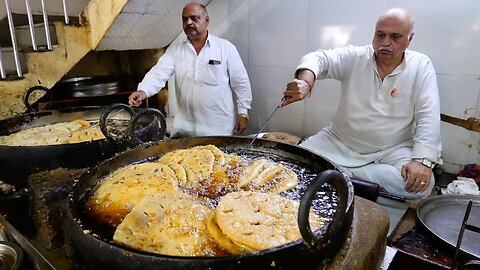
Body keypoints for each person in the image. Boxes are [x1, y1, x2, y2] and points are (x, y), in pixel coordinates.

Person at [281, 8, 441, 201]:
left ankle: (334, 171)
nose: (385, 42)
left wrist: (421, 162)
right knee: (294, 161)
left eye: (395, 37)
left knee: (423, 185)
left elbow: (428, 113)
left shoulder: (420, 65)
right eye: (380, 34)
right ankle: (349, 175)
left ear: (410, 39)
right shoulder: (357, 57)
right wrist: (305, 82)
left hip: (392, 149)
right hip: (338, 142)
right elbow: (319, 58)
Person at [128, 2, 252, 138]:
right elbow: (159, 73)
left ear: (206, 21)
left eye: (194, 18)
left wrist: (243, 113)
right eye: (185, 19)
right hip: (186, 129)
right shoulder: (176, 50)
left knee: (220, 159)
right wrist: (143, 90)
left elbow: (241, 82)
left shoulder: (226, 48)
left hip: (218, 128)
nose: (189, 22)